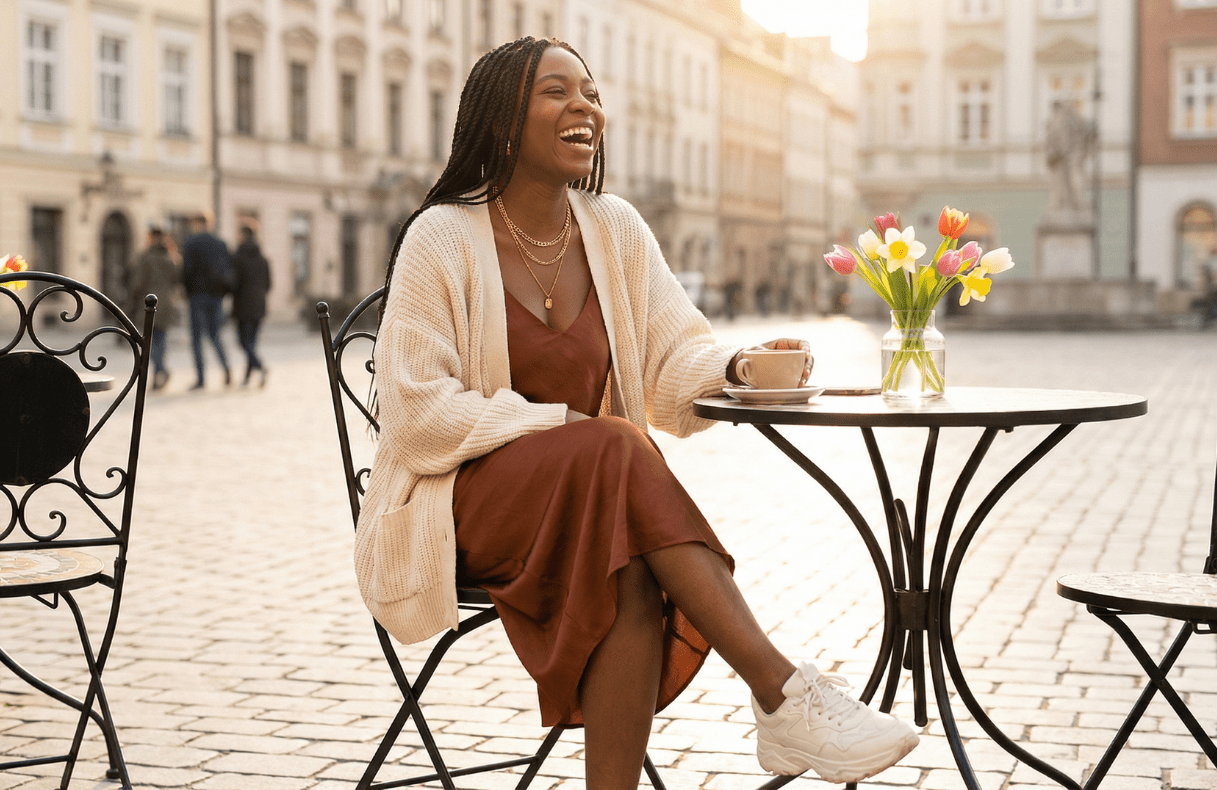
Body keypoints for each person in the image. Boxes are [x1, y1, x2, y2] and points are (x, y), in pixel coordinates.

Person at [356, 37, 918, 788]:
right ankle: (782, 692)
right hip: (460, 508)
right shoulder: (441, 236)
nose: (584, 105)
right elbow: (418, 416)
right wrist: (566, 430)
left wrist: (738, 367)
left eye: (590, 92)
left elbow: (670, 361)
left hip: (587, 505)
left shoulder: (614, 229)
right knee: (615, 449)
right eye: (557, 92)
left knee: (625, 555)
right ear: (500, 122)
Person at [180, 213, 232, 389]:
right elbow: (229, 270)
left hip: (197, 295)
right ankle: (226, 369)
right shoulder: (220, 243)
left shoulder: (191, 243)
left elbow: (186, 271)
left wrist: (186, 292)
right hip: (216, 296)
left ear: (197, 223)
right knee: (215, 335)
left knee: (196, 338)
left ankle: (201, 378)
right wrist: (222, 292)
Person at [127, 226, 181, 390]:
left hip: (149, 303)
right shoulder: (172, 257)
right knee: (161, 341)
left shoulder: (146, 257)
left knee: (149, 342)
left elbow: (137, 283)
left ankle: (161, 371)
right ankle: (159, 373)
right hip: (167, 303)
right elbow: (177, 280)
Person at [231, 225, 271, 386]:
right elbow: (269, 284)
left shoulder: (238, 257)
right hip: (259, 304)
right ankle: (248, 376)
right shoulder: (263, 259)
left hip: (242, 304)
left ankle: (260, 366)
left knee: (243, 342)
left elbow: (234, 282)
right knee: (251, 342)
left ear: (243, 235)